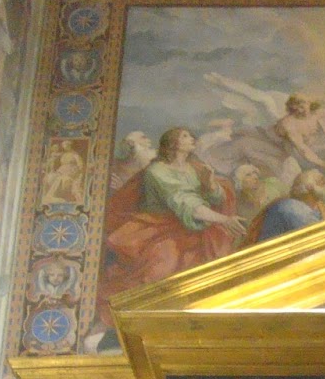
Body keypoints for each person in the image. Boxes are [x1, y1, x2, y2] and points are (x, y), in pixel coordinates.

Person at [97, 127, 243, 321]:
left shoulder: (195, 168)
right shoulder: (158, 171)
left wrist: (210, 185)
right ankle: (149, 319)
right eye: (185, 136)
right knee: (165, 262)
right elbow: (186, 204)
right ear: (173, 143)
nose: (192, 138)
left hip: (195, 228)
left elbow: (215, 199)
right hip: (158, 229)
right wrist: (224, 219)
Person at [249, 168, 325, 243]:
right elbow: (318, 237)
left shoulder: (320, 207)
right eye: (321, 181)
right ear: (309, 188)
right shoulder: (290, 207)